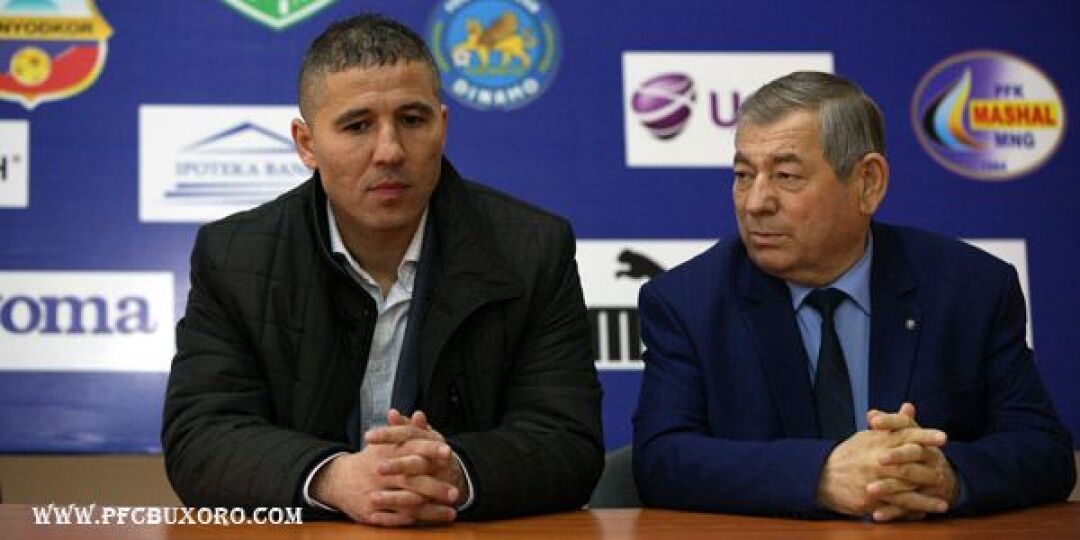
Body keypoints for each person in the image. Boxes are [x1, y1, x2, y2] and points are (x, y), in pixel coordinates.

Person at [162, 14, 603, 526]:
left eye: (412, 120)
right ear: (306, 143)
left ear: (443, 126)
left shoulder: (533, 249)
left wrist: (453, 473)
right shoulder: (234, 257)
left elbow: (567, 440)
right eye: (357, 126)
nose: (390, 151)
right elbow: (201, 437)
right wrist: (332, 478)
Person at [632, 71, 1075, 521]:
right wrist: (819, 476)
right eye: (744, 175)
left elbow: (1045, 450)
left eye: (786, 175)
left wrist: (946, 474)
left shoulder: (970, 290)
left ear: (868, 183)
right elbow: (661, 461)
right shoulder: (688, 302)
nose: (755, 202)